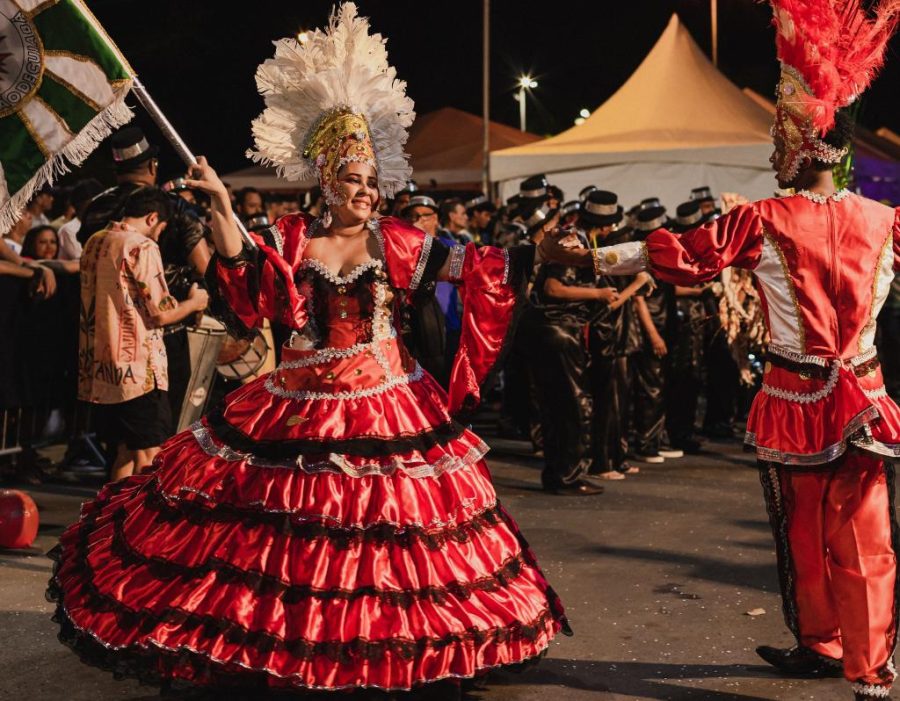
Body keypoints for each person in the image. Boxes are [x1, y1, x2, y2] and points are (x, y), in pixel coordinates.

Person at [49, 6, 569, 697]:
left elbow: (475, 267)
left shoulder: (395, 240)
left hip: (387, 399)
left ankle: (388, 646)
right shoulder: (293, 238)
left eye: (372, 179)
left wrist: (538, 251)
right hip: (300, 400)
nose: (367, 190)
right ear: (325, 178)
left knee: (387, 537)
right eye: (353, 179)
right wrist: (225, 217)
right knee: (291, 537)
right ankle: (293, 647)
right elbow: (253, 290)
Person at [546, 2, 900, 696]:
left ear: (799, 144)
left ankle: (839, 649)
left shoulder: (761, 218)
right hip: (860, 394)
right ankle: (859, 663)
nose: (772, 148)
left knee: (808, 533)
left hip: (800, 396)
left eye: (778, 134)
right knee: (862, 539)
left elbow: (677, 257)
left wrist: (592, 254)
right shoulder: (886, 220)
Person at [80, 127, 212, 425]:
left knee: (122, 436)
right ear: (153, 166)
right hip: (161, 334)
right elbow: (205, 266)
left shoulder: (96, 208)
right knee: (161, 430)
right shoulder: (173, 207)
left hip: (105, 332)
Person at [76, 187, 209, 482]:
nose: (159, 235)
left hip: (101, 371)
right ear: (152, 217)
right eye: (160, 227)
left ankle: (106, 522)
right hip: (138, 370)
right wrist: (194, 303)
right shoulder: (141, 246)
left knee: (123, 452)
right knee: (151, 456)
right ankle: (140, 526)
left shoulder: (94, 242)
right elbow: (160, 313)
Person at [518, 200, 610, 495]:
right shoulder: (573, 240)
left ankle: (559, 473)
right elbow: (553, 288)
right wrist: (598, 293)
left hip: (551, 328)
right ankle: (568, 475)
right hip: (557, 327)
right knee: (572, 404)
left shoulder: (577, 238)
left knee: (558, 405)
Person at [582, 191, 652, 479]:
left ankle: (616, 457)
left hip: (617, 335)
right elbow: (609, 300)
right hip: (604, 333)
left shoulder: (600, 250)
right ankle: (603, 461)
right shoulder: (591, 251)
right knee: (606, 401)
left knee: (619, 400)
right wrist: (636, 284)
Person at [400, 194, 449, 383]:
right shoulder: (399, 248)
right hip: (410, 323)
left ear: (436, 218)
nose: (417, 221)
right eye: (412, 216)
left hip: (445, 322)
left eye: (424, 216)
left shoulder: (448, 246)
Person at [57, 179, 104, 261]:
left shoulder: (102, 225)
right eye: (93, 202)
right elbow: (83, 260)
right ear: (79, 205)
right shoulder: (69, 230)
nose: (98, 206)